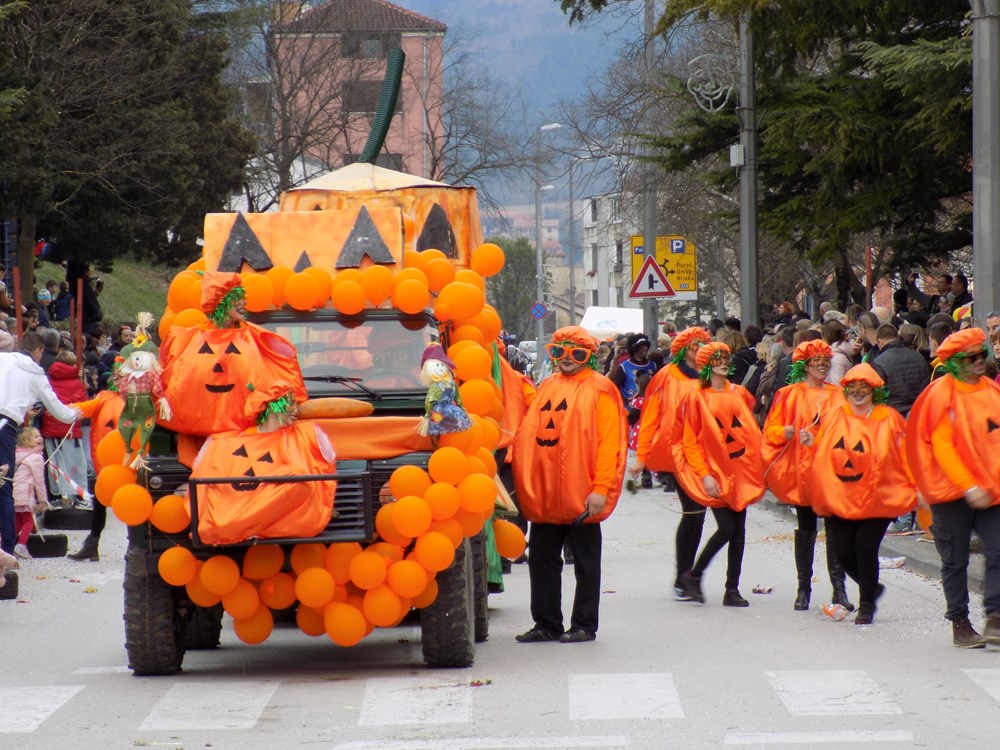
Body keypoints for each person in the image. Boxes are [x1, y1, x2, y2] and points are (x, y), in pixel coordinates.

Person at [512, 326, 627, 643]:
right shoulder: (548, 385)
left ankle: (584, 625)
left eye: (576, 353)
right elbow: (530, 434)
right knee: (542, 560)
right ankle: (546, 623)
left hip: (582, 492)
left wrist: (601, 488)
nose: (567, 359)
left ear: (588, 356)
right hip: (547, 493)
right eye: (559, 352)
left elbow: (609, 443)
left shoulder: (601, 389)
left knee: (586, 564)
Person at [907, 328, 1000, 648]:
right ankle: (960, 623)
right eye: (970, 358)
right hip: (949, 493)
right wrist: (968, 486)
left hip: (992, 491)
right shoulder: (940, 395)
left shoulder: (992, 391)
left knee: (998, 549)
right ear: (956, 362)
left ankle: (995, 616)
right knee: (955, 560)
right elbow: (943, 448)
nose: (979, 362)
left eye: (981, 355)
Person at [807, 364, 916, 624]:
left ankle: (866, 604)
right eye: (853, 387)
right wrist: (811, 445)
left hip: (878, 496)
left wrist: (915, 486)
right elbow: (825, 449)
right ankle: (872, 588)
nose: (858, 392)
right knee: (843, 552)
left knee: (865, 548)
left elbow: (907, 454)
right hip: (841, 494)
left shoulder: (888, 418)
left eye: (863, 387)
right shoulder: (836, 415)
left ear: (873, 390)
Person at [763, 339, 852, 612]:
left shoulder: (838, 395)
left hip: (830, 471)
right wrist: (785, 432)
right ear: (805, 365)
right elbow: (770, 429)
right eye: (817, 362)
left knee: (835, 530)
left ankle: (839, 589)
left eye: (825, 362)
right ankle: (804, 589)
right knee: (806, 528)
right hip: (802, 470)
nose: (822, 366)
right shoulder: (789, 394)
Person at [672, 342, 765, 606]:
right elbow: (690, 440)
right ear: (705, 364)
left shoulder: (739, 393)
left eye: (726, 358)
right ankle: (694, 575)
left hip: (740, 468)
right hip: (715, 472)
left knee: (739, 531)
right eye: (717, 359)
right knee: (727, 528)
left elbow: (749, 430)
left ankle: (731, 589)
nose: (724, 362)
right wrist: (704, 474)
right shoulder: (696, 396)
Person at [630, 326, 711, 598]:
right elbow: (650, 417)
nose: (699, 350)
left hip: (705, 453)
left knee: (698, 514)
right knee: (693, 511)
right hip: (677, 452)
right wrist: (642, 457)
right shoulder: (666, 376)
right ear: (683, 349)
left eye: (703, 345)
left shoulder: (710, 375)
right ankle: (684, 575)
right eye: (694, 345)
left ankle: (686, 575)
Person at [0, 331, 82, 554]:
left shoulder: (3, 359)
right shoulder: (35, 373)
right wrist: (74, 414)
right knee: (4, 486)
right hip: (5, 426)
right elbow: (58, 410)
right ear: (37, 351)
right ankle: (6, 549)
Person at [65, 368, 123, 562]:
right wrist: (60, 408)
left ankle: (136, 546)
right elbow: (84, 407)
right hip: (104, 464)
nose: (118, 377)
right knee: (99, 503)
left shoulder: (139, 401)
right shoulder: (105, 398)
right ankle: (92, 545)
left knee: (133, 505)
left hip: (129, 464)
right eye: (116, 374)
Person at [41, 350, 89, 508]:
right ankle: (79, 495)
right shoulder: (77, 382)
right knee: (76, 463)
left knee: (55, 464)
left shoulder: (48, 381)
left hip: (50, 428)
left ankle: (58, 496)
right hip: (71, 429)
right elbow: (84, 405)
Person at [870, 324, 930, 418]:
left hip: (894, 415)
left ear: (880, 342)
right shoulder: (918, 357)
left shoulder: (879, 362)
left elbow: (878, 394)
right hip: (919, 412)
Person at [12, 426, 47, 559]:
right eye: (36, 436)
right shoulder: (36, 458)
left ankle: (6, 543)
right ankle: (21, 545)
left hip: (15, 491)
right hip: (25, 493)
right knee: (28, 521)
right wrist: (42, 500)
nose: (40, 438)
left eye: (40, 435)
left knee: (18, 520)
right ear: (27, 441)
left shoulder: (18, 454)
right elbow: (39, 481)